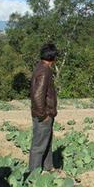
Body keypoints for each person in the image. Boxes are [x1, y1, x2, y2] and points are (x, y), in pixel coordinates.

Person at [29, 43, 58, 171]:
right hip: (43, 114)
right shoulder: (44, 71)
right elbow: (37, 95)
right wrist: (43, 115)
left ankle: (48, 167)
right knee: (39, 145)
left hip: (45, 113)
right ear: (54, 58)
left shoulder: (40, 68)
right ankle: (34, 175)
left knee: (46, 142)